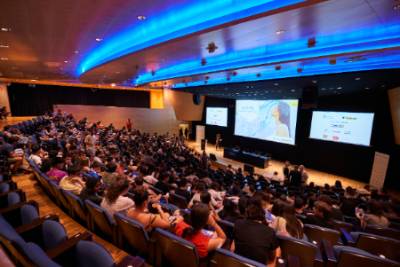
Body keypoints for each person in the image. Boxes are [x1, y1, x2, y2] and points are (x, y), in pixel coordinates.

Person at [232, 198, 280, 265]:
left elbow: (233, 248)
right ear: (262, 216)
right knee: (277, 250)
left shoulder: (238, 223)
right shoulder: (270, 232)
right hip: (258, 264)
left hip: (237, 263)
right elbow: (272, 257)